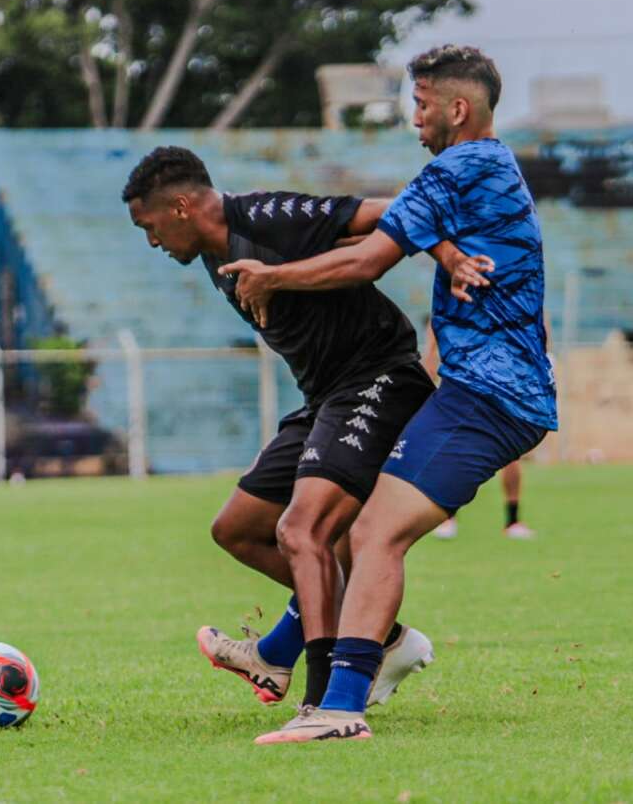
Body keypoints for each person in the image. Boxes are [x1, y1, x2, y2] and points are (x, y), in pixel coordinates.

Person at [220, 44, 558, 743]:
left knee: (372, 531)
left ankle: (341, 705)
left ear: (456, 109)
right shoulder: (487, 167)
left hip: (491, 395)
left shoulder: (458, 166)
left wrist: (274, 277)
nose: (415, 119)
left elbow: (368, 258)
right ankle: (300, 654)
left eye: (422, 105)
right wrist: (444, 252)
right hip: (476, 387)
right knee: (348, 523)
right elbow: (417, 229)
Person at [121, 147, 440, 711]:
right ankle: (374, 640)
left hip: (379, 378)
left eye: (149, 227)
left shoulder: (269, 218)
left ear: (180, 207)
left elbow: (398, 210)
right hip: (324, 398)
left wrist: (452, 255)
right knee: (238, 529)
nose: (151, 243)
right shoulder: (211, 255)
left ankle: (324, 702)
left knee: (304, 532)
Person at [421, 320, 536, 541]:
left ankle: (513, 520)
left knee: (511, 457)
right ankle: (448, 518)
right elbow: (431, 355)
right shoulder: (446, 312)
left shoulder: (499, 308)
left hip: (497, 393)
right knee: (451, 456)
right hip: (458, 393)